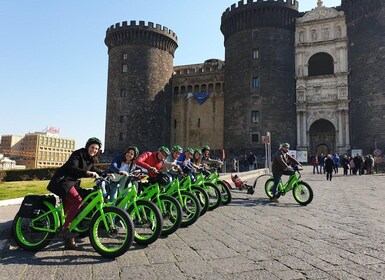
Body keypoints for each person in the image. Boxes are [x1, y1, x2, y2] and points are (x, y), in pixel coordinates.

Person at [47, 137, 103, 250]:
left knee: (69, 211)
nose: (94, 150)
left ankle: (68, 242)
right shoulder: (78, 154)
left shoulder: (89, 159)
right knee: (77, 201)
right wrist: (87, 172)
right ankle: (64, 229)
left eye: (96, 149)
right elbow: (72, 167)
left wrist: (107, 174)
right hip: (63, 181)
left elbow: (96, 170)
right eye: (92, 147)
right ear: (88, 146)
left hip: (71, 183)